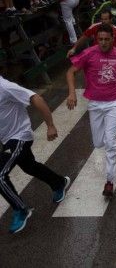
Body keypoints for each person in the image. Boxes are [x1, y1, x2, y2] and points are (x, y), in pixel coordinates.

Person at [66, 23, 116, 197]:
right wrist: (72, 93)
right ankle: (108, 159)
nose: (103, 43)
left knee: (110, 142)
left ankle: (109, 180)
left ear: (112, 39)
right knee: (98, 143)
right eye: (100, 39)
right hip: (95, 104)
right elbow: (71, 72)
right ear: (96, 39)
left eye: (107, 39)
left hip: (114, 103)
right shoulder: (88, 53)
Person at [0, 75, 70, 233]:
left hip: (19, 136)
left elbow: (35, 97)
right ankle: (59, 182)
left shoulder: (4, 86)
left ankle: (21, 209)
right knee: (29, 166)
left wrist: (50, 125)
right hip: (7, 139)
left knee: (0, 174)